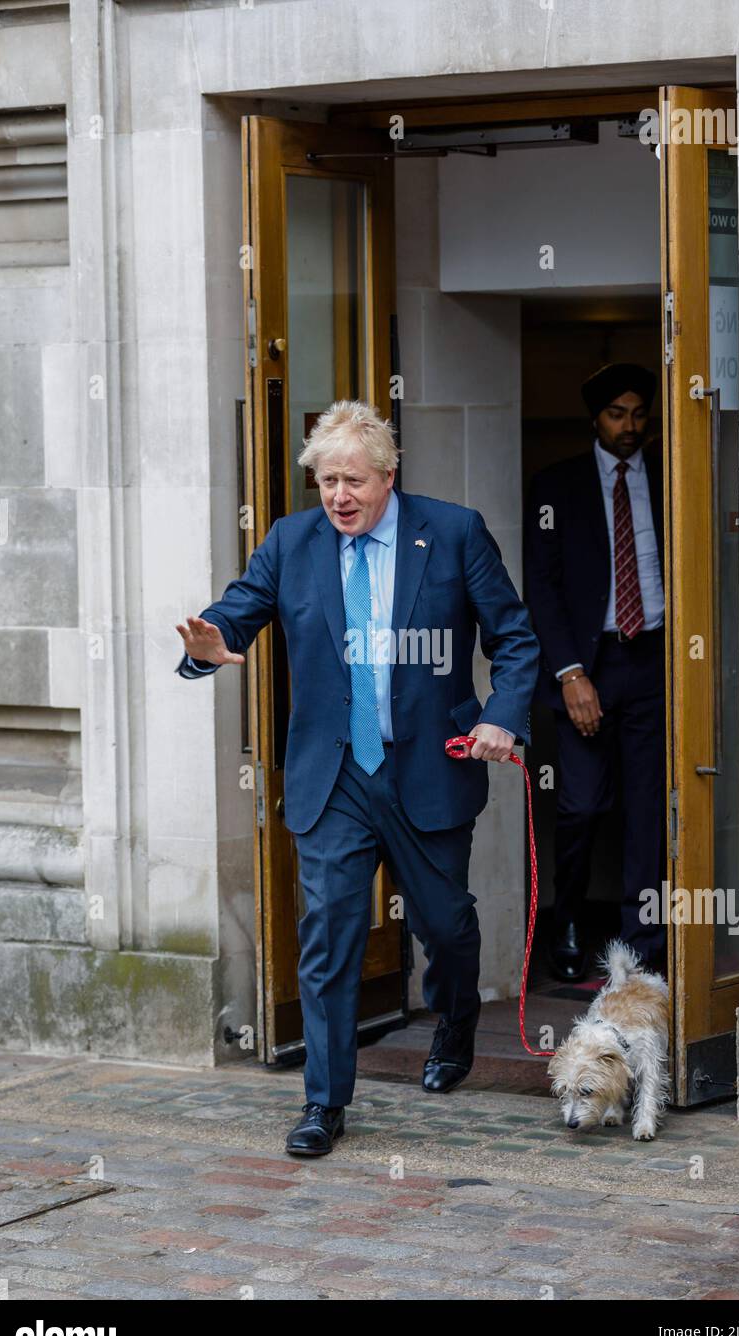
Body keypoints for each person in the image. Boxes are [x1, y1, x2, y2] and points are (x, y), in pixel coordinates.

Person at [176, 401, 539, 1156]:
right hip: (333, 775)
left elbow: (514, 637)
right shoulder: (292, 540)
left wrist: (502, 716)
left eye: (353, 480)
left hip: (428, 769)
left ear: (388, 476)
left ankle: (456, 1019)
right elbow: (238, 612)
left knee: (446, 925)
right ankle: (324, 1104)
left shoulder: (453, 531)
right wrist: (210, 643)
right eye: (326, 480)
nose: (339, 495)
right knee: (331, 935)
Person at [524, 363, 667, 983]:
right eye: (617, 414)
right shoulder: (556, 487)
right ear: (595, 419)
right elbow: (542, 589)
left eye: (639, 414)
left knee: (648, 805)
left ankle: (643, 942)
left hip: (655, 660)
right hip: (588, 664)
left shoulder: (671, 475)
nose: (630, 427)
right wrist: (569, 672)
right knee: (580, 805)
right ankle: (571, 920)